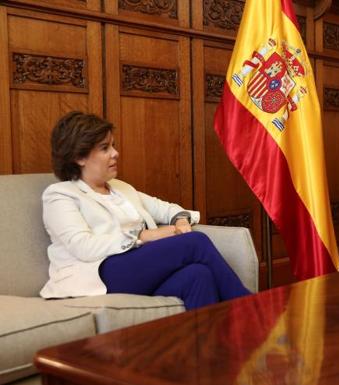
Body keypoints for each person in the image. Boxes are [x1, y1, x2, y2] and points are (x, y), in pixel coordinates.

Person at [40, 111, 251, 309]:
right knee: (196, 242)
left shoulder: (121, 189)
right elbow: (83, 247)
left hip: (138, 271)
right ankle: (252, 309)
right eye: (105, 148)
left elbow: (170, 210)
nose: (115, 153)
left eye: (113, 145)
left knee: (198, 275)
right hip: (99, 275)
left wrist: (180, 222)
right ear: (79, 157)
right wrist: (145, 235)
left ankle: (209, 347)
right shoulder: (60, 195)